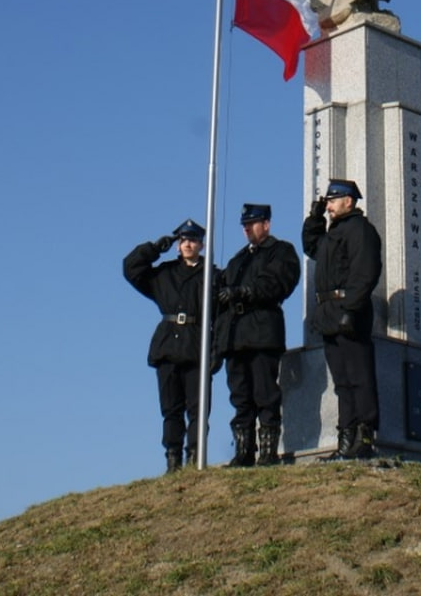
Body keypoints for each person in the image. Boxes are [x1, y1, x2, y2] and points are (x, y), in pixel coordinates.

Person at [122, 218, 214, 473]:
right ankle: (173, 459)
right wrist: (153, 248)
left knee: (197, 409)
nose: (187, 244)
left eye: (193, 240)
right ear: (177, 245)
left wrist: (216, 350)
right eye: (183, 240)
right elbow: (130, 268)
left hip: (197, 347)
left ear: (201, 244)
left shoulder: (212, 275)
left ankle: (195, 456)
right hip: (169, 347)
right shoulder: (165, 274)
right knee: (171, 409)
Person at [214, 202, 300, 467]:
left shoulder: (280, 251)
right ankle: (243, 452)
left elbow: (277, 284)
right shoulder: (237, 260)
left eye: (252, 224)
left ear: (266, 224)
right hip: (236, 335)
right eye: (244, 226)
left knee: (265, 393)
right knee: (240, 395)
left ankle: (267, 452)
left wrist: (244, 292)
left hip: (263, 331)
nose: (247, 230)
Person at [302, 178, 382, 460]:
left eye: (333, 200)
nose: (329, 205)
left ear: (349, 201)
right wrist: (314, 218)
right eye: (327, 201)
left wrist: (351, 309)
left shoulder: (361, 230)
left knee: (359, 377)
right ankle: (346, 440)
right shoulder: (332, 234)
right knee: (342, 382)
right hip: (328, 314)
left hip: (350, 313)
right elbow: (312, 247)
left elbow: (366, 272)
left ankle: (366, 437)